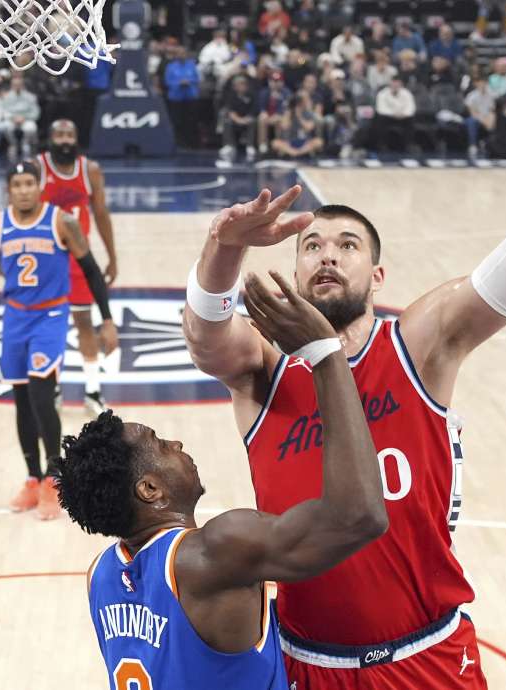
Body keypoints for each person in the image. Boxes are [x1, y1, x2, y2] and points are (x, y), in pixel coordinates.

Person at [181, 2, 506, 687]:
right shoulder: (264, 369)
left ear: (378, 276)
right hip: (307, 662)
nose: (327, 254)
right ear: (295, 271)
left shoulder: (422, 343)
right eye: (312, 245)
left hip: (426, 658)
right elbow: (204, 340)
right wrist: (222, 248)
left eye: (348, 245)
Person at [58, 269, 387, 690]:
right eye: (160, 444)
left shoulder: (100, 577)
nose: (176, 443)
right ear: (150, 490)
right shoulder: (218, 552)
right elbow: (359, 516)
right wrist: (325, 353)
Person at [0, 160, 116, 520]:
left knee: (42, 394)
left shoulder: (61, 222)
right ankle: (32, 478)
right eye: (17, 184)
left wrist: (106, 320)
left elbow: (92, 270)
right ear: (9, 189)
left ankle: (53, 478)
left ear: (39, 186)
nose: (24, 190)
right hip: (15, 316)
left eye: (29, 183)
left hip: (50, 316)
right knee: (21, 399)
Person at [36, 119, 118, 413]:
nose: (65, 140)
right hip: (46, 259)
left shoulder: (89, 170)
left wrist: (112, 256)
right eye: (59, 135)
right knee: (49, 326)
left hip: (78, 259)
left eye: (69, 135)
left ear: (77, 139)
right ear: (50, 138)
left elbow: (101, 213)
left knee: (85, 323)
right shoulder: (38, 168)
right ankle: (53, 388)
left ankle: (92, 391)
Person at [221, 74, 258, 162]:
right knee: (227, 121)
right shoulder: (231, 96)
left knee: (253, 122)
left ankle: (250, 146)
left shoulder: (251, 95)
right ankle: (229, 145)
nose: (241, 86)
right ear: (235, 86)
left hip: (247, 119)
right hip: (236, 119)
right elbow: (231, 112)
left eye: (243, 84)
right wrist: (239, 120)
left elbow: (253, 111)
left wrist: (246, 119)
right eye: (239, 84)